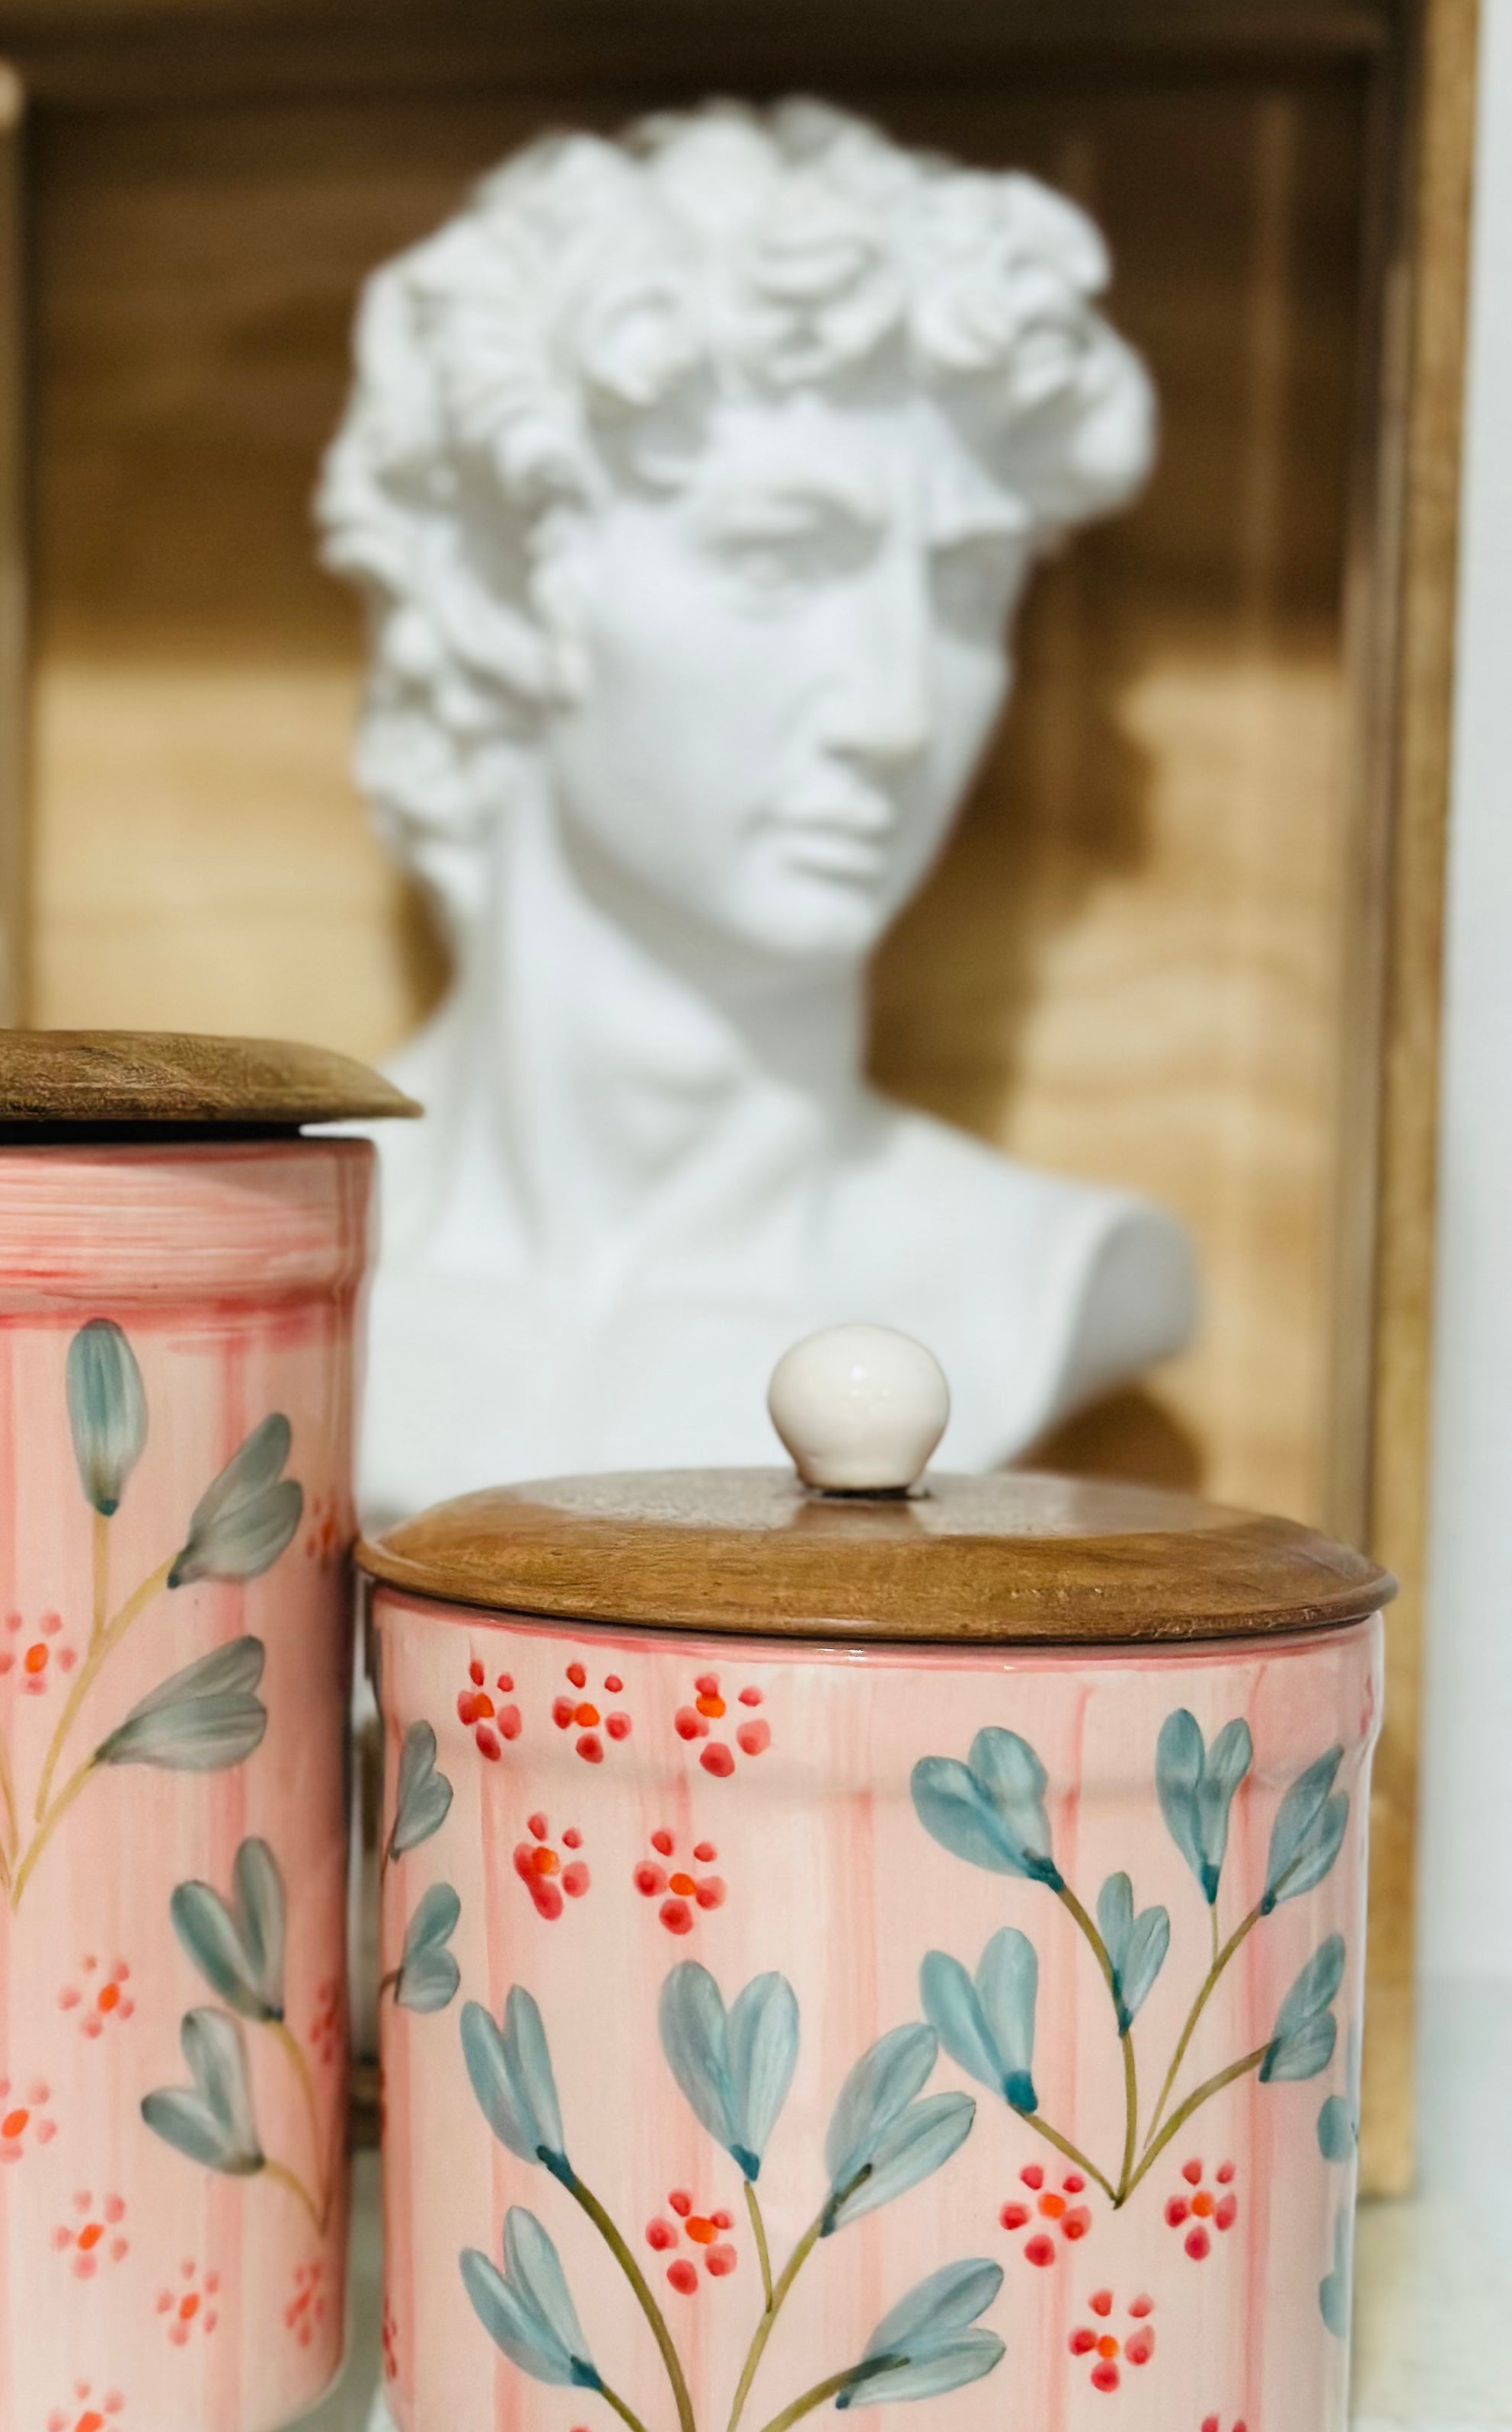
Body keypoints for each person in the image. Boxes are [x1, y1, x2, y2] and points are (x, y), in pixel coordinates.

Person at [320, 97, 1195, 1519]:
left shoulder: (1025, 1286)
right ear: (509, 590)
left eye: (967, 591)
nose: (899, 713)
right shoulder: (256, 1275)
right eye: (782, 562)